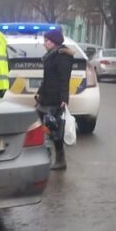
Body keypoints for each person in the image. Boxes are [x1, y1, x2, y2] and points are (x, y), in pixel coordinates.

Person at [35, 27, 75, 171]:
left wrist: (64, 98)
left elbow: (64, 79)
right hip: (46, 97)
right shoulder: (51, 55)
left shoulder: (62, 56)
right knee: (44, 126)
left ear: (54, 42)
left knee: (54, 129)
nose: (44, 44)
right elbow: (47, 79)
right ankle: (46, 154)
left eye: (46, 41)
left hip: (55, 99)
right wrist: (39, 93)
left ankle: (59, 159)